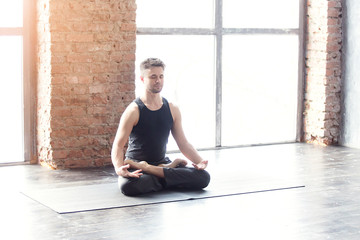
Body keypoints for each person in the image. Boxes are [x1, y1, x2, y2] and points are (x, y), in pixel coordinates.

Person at [111, 58, 210, 196]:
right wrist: (119, 168)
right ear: (142, 79)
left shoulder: (172, 108)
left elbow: (183, 143)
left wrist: (199, 161)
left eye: (161, 76)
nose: (158, 80)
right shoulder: (133, 110)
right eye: (153, 77)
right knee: (128, 186)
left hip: (162, 162)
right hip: (136, 164)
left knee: (204, 177)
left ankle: (156, 171)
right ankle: (165, 174)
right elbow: (118, 145)